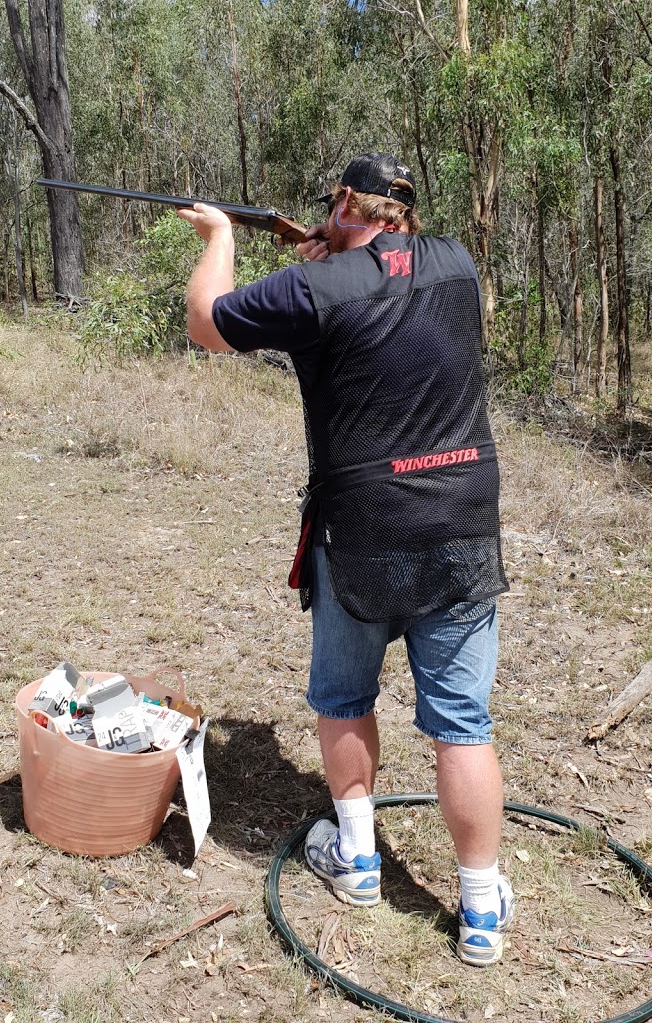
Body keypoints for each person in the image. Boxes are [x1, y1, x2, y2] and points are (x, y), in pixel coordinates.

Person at [178, 152, 512, 966]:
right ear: (403, 211)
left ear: (341, 204)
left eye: (330, 206)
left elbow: (205, 321)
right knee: (463, 726)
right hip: (463, 525)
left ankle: (357, 861)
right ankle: (478, 910)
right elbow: (389, 287)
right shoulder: (459, 266)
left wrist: (221, 233)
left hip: (360, 532)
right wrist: (340, 256)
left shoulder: (315, 289)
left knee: (342, 696)